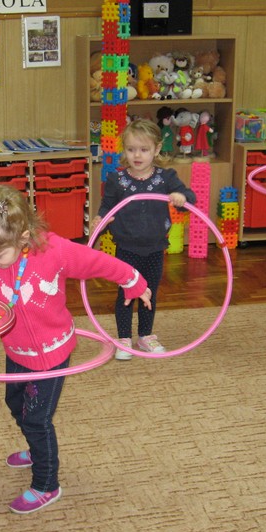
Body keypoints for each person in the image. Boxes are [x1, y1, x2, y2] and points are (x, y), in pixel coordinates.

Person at [0, 183, 152, 515]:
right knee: (15, 404)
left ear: (23, 238)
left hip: (53, 352)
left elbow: (98, 262)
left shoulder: (54, 251)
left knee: (37, 419)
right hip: (16, 350)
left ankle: (46, 484)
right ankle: (35, 447)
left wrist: (134, 282)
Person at [92, 119, 197, 360]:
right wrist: (100, 218)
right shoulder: (116, 179)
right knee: (126, 294)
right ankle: (124, 338)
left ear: (157, 149)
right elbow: (107, 206)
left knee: (149, 293)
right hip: (126, 248)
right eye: (131, 149)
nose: (137, 155)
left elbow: (189, 198)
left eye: (143, 149)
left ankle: (145, 335)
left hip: (155, 248)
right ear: (124, 150)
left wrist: (181, 198)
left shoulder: (166, 177)